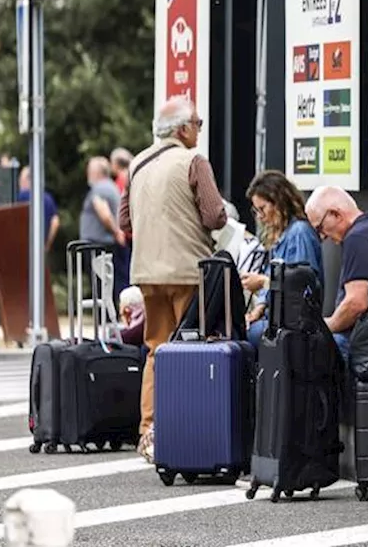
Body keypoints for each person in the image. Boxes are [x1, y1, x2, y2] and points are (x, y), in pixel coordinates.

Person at [119, 98, 227, 462]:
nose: (199, 128)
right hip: (187, 272)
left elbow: (124, 224)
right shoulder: (193, 161)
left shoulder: (136, 164)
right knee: (193, 350)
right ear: (182, 129)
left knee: (156, 350)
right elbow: (215, 217)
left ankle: (148, 431)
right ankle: (187, 428)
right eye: (197, 122)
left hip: (147, 273)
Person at [305, 186, 368, 360]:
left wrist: (326, 326)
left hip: (364, 344)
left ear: (335, 214)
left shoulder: (357, 238)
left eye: (320, 228)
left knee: (307, 349)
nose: (322, 237)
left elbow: (356, 303)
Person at [242, 171, 324, 347]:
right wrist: (258, 309)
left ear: (278, 204)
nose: (260, 216)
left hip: (292, 325)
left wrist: (263, 282)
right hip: (278, 319)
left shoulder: (299, 233)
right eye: (255, 210)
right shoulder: (283, 236)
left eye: (262, 209)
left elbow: (301, 285)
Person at [79, 156, 128, 303]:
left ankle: (104, 322)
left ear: (97, 172)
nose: (87, 174)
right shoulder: (111, 187)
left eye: (90, 171)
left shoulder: (100, 189)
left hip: (97, 246)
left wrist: (115, 232)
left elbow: (104, 214)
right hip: (105, 245)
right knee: (109, 286)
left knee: (100, 289)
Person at [16, 166, 59, 252]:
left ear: (28, 180)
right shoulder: (47, 198)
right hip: (40, 248)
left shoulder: (21, 197)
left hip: (22, 247)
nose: (19, 183)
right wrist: (47, 245)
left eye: (21, 179)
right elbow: (55, 222)